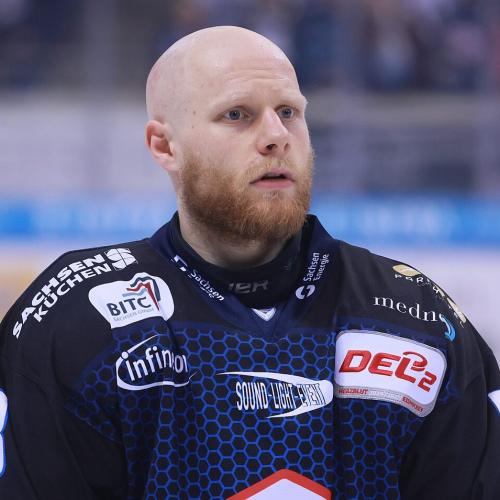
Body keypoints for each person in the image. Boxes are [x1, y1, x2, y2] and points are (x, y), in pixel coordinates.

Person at [0, 25, 498, 500]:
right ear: (165, 146)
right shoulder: (77, 320)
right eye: (237, 115)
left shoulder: (413, 318)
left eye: (289, 112)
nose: (276, 136)